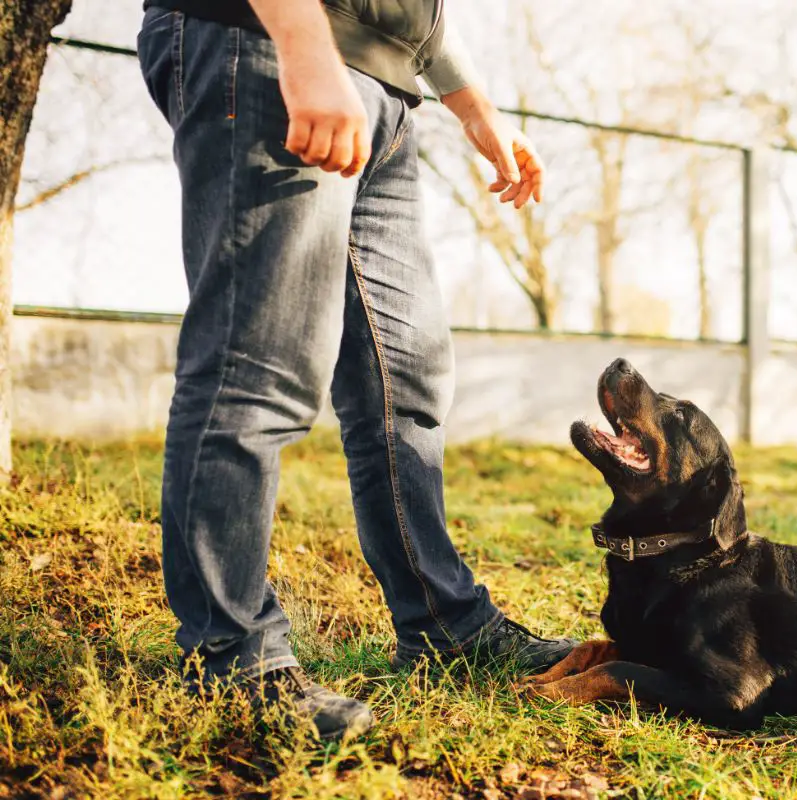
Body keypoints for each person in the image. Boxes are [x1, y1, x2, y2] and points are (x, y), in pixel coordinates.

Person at [136, 0, 576, 742]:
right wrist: (306, 49)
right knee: (259, 366)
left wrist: (473, 106)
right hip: (271, 43)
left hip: (384, 86)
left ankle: (445, 625)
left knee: (405, 381)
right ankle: (230, 658)